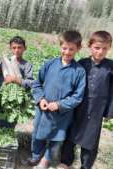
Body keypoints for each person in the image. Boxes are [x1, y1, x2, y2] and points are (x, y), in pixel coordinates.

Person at [28, 30, 86, 169]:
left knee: (56, 139)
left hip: (62, 114)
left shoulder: (79, 71)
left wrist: (60, 104)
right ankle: (35, 156)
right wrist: (40, 99)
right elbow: (37, 83)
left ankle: (46, 161)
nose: (67, 52)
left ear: (78, 49)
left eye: (71, 49)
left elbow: (78, 96)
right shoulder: (50, 64)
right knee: (38, 135)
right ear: (60, 46)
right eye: (64, 48)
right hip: (44, 110)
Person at [59, 31, 113, 169]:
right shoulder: (82, 63)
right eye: (97, 47)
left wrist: (109, 112)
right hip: (78, 106)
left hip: (96, 110)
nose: (100, 52)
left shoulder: (110, 67)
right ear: (90, 46)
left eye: (104, 48)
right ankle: (65, 162)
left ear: (109, 48)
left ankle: (86, 165)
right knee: (70, 135)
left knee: (91, 140)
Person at [0, 36, 34, 127]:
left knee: (9, 122)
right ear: (11, 48)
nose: (17, 50)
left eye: (19, 47)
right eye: (14, 48)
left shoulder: (27, 65)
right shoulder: (5, 62)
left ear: (24, 48)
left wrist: (15, 79)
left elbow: (30, 82)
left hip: (14, 101)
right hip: (0, 97)